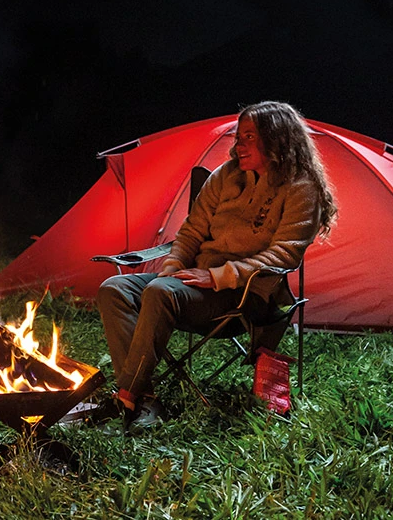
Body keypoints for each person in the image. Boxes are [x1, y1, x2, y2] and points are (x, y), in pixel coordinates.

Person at [95, 101, 337, 430]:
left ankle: (126, 396)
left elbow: (285, 255)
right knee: (115, 288)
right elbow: (191, 232)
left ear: (277, 138)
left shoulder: (300, 188)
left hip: (244, 297)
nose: (239, 144)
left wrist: (217, 276)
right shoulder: (226, 176)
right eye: (238, 136)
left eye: (249, 137)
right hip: (191, 284)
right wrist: (172, 269)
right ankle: (144, 396)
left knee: (160, 292)